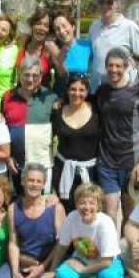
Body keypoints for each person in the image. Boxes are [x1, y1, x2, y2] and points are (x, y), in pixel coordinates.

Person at [0, 163, 65, 278]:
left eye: (38, 181)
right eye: (30, 180)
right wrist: (15, 271)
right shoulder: (13, 208)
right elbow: (13, 243)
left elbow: (61, 243)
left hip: (45, 265)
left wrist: (43, 268)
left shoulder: (55, 208)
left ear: (43, 184)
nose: (34, 184)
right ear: (22, 182)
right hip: (21, 264)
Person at [40, 184, 125, 278]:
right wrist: (53, 270)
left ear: (98, 205)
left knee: (110, 277)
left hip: (105, 261)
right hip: (82, 258)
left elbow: (107, 261)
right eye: (82, 203)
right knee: (62, 275)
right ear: (76, 204)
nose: (86, 207)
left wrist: (82, 270)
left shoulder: (105, 223)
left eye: (91, 203)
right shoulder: (72, 217)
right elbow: (62, 246)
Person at [96, 47, 139, 230]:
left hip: (132, 162)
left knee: (130, 215)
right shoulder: (102, 92)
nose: (114, 70)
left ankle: (126, 250)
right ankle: (111, 254)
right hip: (106, 161)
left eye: (118, 66)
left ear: (127, 66)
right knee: (109, 212)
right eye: (110, 66)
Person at [2, 57, 57, 194]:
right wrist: (7, 158)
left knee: (42, 207)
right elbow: (2, 131)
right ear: (19, 74)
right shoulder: (8, 97)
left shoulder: (50, 97)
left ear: (41, 77)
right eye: (26, 74)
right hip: (17, 165)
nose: (30, 79)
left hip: (42, 165)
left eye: (35, 75)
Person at [89, 0, 139, 94]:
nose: (105, 6)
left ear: (117, 3)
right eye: (101, 2)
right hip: (98, 91)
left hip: (123, 92)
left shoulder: (128, 26)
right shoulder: (94, 27)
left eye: (109, 2)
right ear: (97, 4)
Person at [52, 75, 99, 213]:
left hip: (91, 172)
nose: (77, 93)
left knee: (89, 211)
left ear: (87, 91)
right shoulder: (57, 111)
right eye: (73, 89)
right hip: (63, 170)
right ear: (67, 90)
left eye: (81, 90)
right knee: (66, 211)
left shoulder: (97, 110)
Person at [49, 11, 92, 97]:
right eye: (57, 29)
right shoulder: (54, 50)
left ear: (73, 26)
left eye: (64, 26)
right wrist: (59, 59)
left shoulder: (87, 46)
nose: (61, 31)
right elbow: (62, 74)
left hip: (83, 97)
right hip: (62, 98)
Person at [17, 8, 52, 87]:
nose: (41, 28)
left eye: (46, 25)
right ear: (31, 25)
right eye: (38, 23)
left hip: (41, 96)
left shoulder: (49, 50)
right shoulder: (20, 43)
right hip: (20, 94)